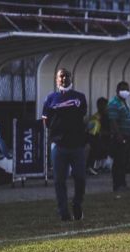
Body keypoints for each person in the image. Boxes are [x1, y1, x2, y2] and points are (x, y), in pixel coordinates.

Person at [42, 68, 87, 221]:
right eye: (61, 76)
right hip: (58, 145)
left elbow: (80, 116)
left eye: (67, 76)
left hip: (77, 145)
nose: (64, 79)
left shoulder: (79, 97)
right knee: (59, 180)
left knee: (80, 177)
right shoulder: (50, 98)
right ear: (56, 79)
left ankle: (77, 203)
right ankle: (63, 212)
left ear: (71, 78)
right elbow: (45, 119)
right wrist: (55, 131)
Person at [107, 81, 130, 192]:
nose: (126, 91)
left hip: (128, 135)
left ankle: (123, 183)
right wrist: (118, 135)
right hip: (120, 136)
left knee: (124, 161)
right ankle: (117, 185)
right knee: (119, 161)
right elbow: (113, 121)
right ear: (118, 90)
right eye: (123, 89)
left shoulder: (124, 103)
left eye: (127, 89)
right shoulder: (114, 103)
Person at [85, 97, 108, 175]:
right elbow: (93, 134)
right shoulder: (96, 118)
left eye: (106, 106)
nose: (105, 108)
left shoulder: (108, 117)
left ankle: (102, 166)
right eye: (103, 106)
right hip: (96, 138)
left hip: (107, 138)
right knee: (95, 144)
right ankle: (90, 166)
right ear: (98, 106)